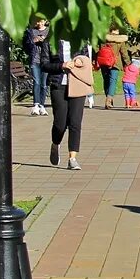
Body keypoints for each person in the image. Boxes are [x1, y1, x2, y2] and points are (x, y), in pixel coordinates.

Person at [39, 35, 93, 170]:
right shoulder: (50, 41)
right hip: (58, 85)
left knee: (75, 122)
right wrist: (61, 66)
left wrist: (80, 62)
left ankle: (72, 158)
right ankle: (55, 143)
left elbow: (87, 60)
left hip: (78, 84)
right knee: (60, 124)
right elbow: (44, 65)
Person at [22, 16, 49, 116]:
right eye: (38, 21)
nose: (40, 23)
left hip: (45, 61)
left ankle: (42, 105)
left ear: (45, 21)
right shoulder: (31, 32)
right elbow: (26, 45)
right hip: (35, 60)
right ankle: (36, 105)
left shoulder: (49, 32)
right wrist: (33, 41)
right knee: (36, 82)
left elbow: (52, 46)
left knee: (44, 84)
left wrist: (44, 41)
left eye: (41, 21)